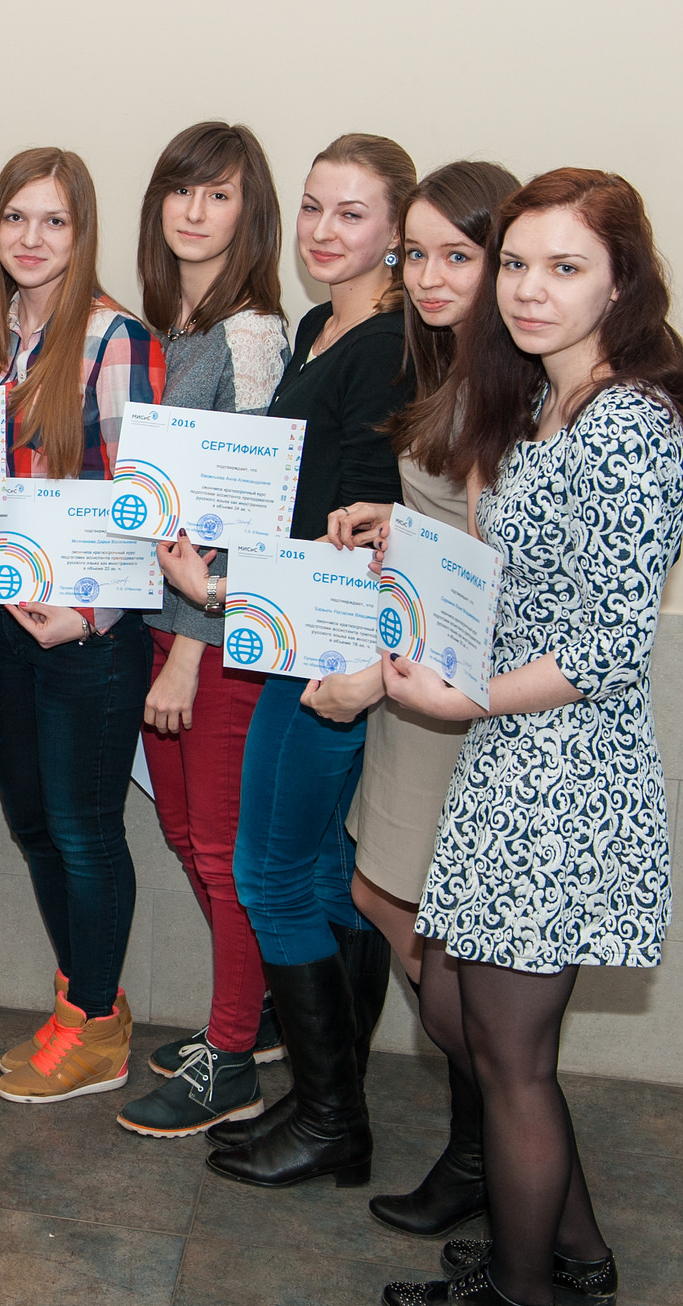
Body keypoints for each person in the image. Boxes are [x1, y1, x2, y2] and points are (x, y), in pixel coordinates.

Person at [381, 168, 683, 1306]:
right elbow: (512, 578)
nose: (528, 290)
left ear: (619, 282)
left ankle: (519, 1300)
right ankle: (568, 1252)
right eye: (518, 265)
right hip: (510, 757)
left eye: (564, 267)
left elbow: (604, 647)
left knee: (512, 1058)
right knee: (474, 1025)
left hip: (563, 775)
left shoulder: (629, 423)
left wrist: (463, 694)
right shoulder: (545, 397)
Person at [202, 134, 415, 1188]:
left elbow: (372, 518)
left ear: (397, 230)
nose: (324, 231)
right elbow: (294, 496)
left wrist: (247, 591)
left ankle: (332, 1116)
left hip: (326, 644)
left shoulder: (387, 345)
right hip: (288, 624)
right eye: (315, 208)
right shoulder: (317, 327)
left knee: (270, 874)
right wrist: (218, 572)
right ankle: (333, 1106)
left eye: (353, 213)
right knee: (324, 873)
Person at [319, 160, 521, 1235]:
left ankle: (490, 1153)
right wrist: (389, 520)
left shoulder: (513, 385)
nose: (432, 275)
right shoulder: (453, 366)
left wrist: (378, 672)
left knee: (443, 942)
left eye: (458, 255)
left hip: (455, 693)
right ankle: (487, 1146)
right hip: (422, 682)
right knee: (392, 905)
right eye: (417, 255)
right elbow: (455, 534)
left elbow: (498, 576)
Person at [0, 148, 163, 1105]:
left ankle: (99, 1029)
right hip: (9, 620)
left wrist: (86, 613)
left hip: (88, 635)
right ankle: (81, 1001)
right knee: (34, 822)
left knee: (83, 831)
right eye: (15, 219)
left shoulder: (117, 339)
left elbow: (141, 499)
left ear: (83, 234)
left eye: (54, 221)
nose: (31, 239)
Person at [114, 122, 292, 1139]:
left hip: (215, 641)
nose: (193, 210)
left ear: (248, 214)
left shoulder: (248, 335)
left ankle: (229, 1062)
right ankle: (250, 1015)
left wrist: (186, 651)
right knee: (185, 834)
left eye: (218, 194)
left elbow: (243, 511)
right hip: (158, 623)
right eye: (180, 190)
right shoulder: (167, 328)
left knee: (221, 851)